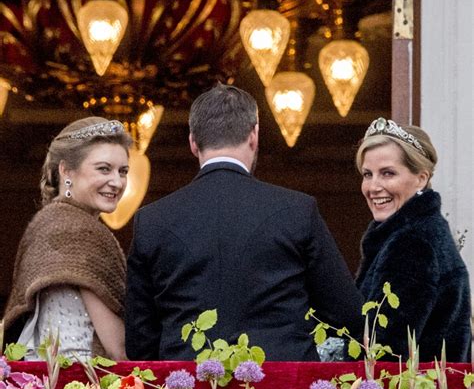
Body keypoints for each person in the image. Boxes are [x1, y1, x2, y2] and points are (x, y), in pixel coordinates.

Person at [125, 83, 363, 361]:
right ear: (254, 136)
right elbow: (348, 315)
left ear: (192, 142)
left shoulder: (152, 220)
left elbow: (140, 343)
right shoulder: (297, 210)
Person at [3, 117, 132, 361]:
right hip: (84, 383)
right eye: (104, 168)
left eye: (123, 171)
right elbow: (118, 347)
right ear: (66, 170)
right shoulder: (79, 230)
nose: (117, 182)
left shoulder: (47, 222)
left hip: (45, 382)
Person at [355, 117, 471, 362]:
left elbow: (383, 354)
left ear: (421, 178)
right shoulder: (423, 231)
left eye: (387, 173)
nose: (373, 186)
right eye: (367, 174)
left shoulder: (412, 243)